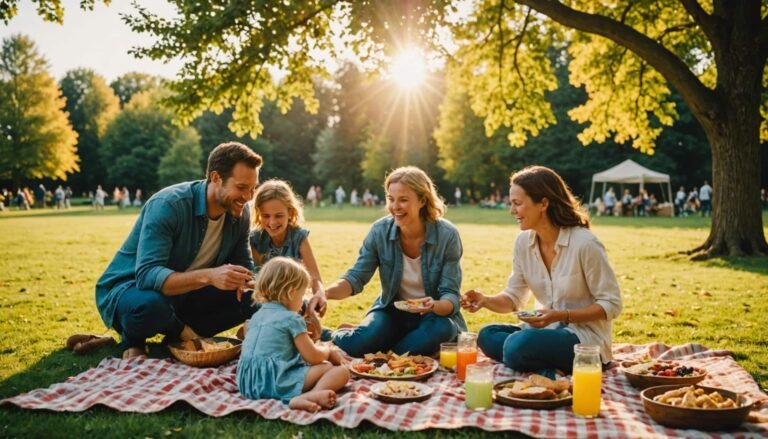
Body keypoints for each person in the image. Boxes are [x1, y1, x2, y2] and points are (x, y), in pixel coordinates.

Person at [95, 142, 263, 359]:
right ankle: (139, 339)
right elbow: (147, 275)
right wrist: (209, 276)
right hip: (130, 289)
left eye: (253, 188)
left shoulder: (239, 213)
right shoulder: (169, 205)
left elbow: (245, 268)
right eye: (241, 187)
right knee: (150, 307)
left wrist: (255, 284)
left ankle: (176, 337)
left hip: (185, 297)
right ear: (215, 178)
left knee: (253, 296)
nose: (248, 197)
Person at [461, 166, 622, 375]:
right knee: (487, 335)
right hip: (544, 332)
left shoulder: (585, 244)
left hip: (584, 339)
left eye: (517, 203)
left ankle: (533, 360)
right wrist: (485, 300)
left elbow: (611, 304)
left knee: (518, 344)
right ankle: (546, 367)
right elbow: (513, 298)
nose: (512, 211)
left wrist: (561, 315)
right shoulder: (523, 243)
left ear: (543, 203)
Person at [318, 166, 466, 357]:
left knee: (443, 330)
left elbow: (451, 297)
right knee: (362, 342)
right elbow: (356, 277)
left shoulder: (447, 236)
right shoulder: (379, 231)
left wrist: (432, 305)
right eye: (391, 199)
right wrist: (324, 294)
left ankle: (381, 350)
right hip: (392, 311)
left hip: (433, 316)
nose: (395, 206)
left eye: (403, 200)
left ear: (422, 200)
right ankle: (335, 335)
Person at [237, 257, 349, 411]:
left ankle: (307, 394)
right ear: (291, 293)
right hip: (277, 382)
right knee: (338, 370)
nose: (302, 301)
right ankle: (308, 396)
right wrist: (328, 351)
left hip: (248, 383)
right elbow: (314, 357)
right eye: (302, 295)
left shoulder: (256, 317)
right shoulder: (291, 318)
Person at [249, 179, 326, 313]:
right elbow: (256, 278)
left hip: (294, 300)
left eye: (279, 216)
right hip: (264, 302)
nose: (272, 222)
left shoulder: (299, 237)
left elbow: (315, 278)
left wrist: (320, 293)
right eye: (266, 216)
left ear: (290, 213)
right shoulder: (255, 239)